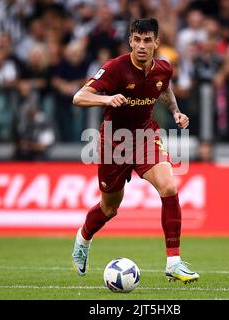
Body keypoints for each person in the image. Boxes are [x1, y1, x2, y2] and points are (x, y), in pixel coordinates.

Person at [71, 18, 199, 284]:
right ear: (130, 40)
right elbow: (79, 96)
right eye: (137, 40)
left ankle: (174, 263)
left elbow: (164, 90)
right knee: (109, 208)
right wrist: (106, 98)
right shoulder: (115, 68)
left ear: (156, 42)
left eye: (147, 40)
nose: (142, 46)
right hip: (114, 142)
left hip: (145, 136)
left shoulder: (164, 68)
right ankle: (83, 238)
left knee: (169, 188)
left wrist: (175, 112)